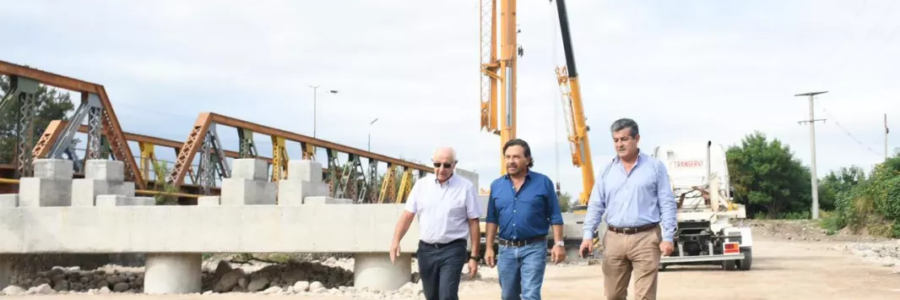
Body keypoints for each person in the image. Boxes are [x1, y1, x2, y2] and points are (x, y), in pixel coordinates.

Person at [579, 118, 677, 300]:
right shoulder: (607, 171)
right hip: (614, 238)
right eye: (616, 140)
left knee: (644, 296)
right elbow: (595, 205)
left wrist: (668, 237)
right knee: (613, 295)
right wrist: (587, 236)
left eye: (624, 139)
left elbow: (667, 203)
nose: (619, 144)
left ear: (636, 138)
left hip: (646, 238)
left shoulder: (655, 167)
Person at [389, 146, 482, 300]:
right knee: (431, 296)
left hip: (453, 249)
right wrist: (395, 241)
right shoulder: (421, 186)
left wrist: (474, 257)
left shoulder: (465, 187)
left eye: (446, 165)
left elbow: (474, 222)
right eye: (437, 164)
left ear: (454, 164)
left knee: (447, 296)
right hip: (426, 251)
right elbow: (407, 215)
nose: (441, 169)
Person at [484, 138, 566, 300]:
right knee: (508, 296)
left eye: (516, 157)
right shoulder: (496, 186)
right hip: (505, 249)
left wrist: (559, 244)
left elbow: (555, 215)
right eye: (507, 157)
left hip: (534, 247)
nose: (511, 161)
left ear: (527, 159)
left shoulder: (543, 183)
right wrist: (488, 247)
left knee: (531, 295)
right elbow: (492, 219)